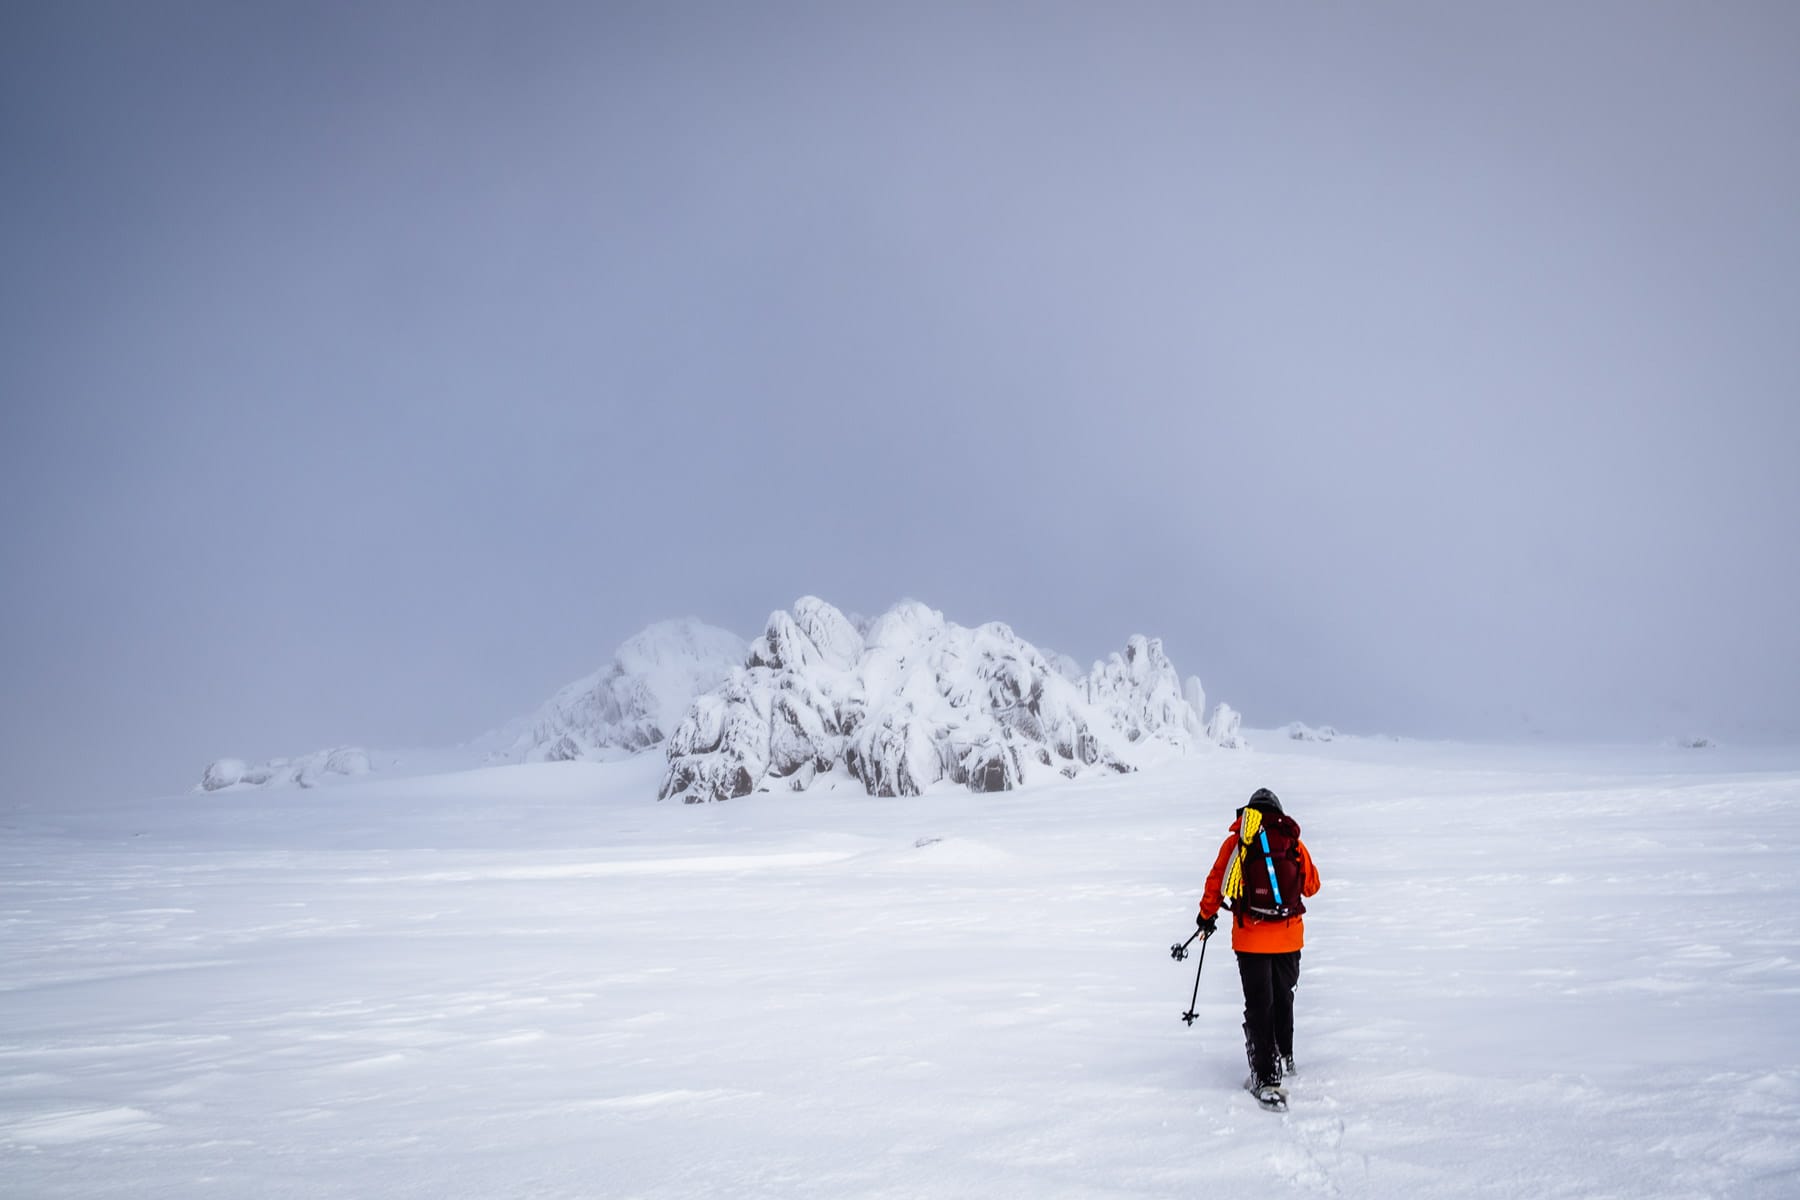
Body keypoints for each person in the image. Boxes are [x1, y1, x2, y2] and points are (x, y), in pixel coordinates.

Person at [1196, 787, 1320, 1108]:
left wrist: (1205, 916)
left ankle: (1266, 1077)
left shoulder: (1239, 841)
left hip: (1250, 938)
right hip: (1289, 937)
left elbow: (1216, 883)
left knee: (1259, 1004)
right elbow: (1312, 885)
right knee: (1283, 996)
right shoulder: (1291, 840)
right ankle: (1285, 1055)